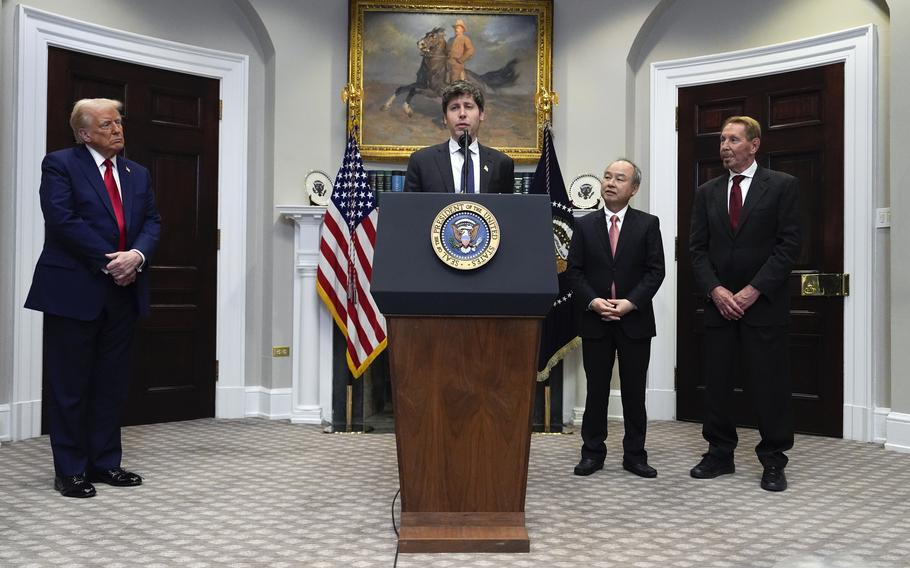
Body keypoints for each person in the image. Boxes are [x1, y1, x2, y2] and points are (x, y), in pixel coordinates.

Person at [25, 98, 161, 498]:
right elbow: (62, 219)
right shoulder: (60, 164)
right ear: (84, 133)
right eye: (106, 124)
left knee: (111, 384)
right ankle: (70, 470)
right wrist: (111, 262)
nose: (117, 130)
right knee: (70, 385)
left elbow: (152, 221)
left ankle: (105, 464)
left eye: (119, 122)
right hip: (75, 289)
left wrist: (136, 257)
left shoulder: (138, 173)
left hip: (125, 291)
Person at [688, 115, 801, 492]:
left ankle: (773, 460)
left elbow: (788, 248)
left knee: (769, 385)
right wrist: (716, 291)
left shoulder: (783, 186)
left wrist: (753, 290)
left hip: (763, 305)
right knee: (717, 384)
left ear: (754, 145)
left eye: (733, 139)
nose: (724, 146)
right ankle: (719, 454)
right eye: (722, 139)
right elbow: (697, 250)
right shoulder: (707, 192)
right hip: (719, 306)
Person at [565, 159, 665, 478]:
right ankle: (592, 453)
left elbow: (655, 272)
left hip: (634, 321)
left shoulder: (648, 224)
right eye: (607, 176)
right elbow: (574, 272)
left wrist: (630, 303)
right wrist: (593, 301)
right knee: (596, 391)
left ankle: (635, 455)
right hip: (595, 320)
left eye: (619, 178)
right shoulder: (583, 225)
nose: (610, 182)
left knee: (634, 391)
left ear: (633, 189)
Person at [404, 80, 514, 194]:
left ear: (481, 114)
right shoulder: (422, 161)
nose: (462, 114)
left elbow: (506, 210)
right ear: (445, 118)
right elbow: (411, 209)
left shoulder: (501, 163)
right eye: (454, 107)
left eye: (468, 106)